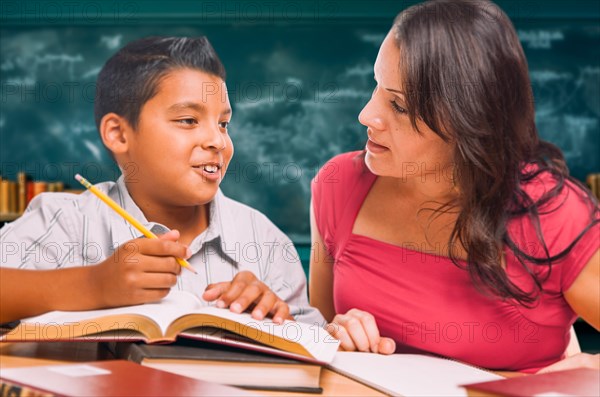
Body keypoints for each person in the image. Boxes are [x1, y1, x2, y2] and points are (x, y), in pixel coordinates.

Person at [309, 0, 599, 373]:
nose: (366, 114)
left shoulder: (554, 214)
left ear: (467, 121)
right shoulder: (339, 185)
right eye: (377, 86)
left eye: (398, 106)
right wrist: (334, 335)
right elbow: (316, 340)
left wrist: (588, 370)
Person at [0, 36, 323, 327]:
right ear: (119, 134)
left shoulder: (266, 242)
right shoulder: (65, 221)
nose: (217, 141)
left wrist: (273, 318)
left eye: (224, 123)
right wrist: (92, 285)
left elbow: (315, 345)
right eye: (188, 120)